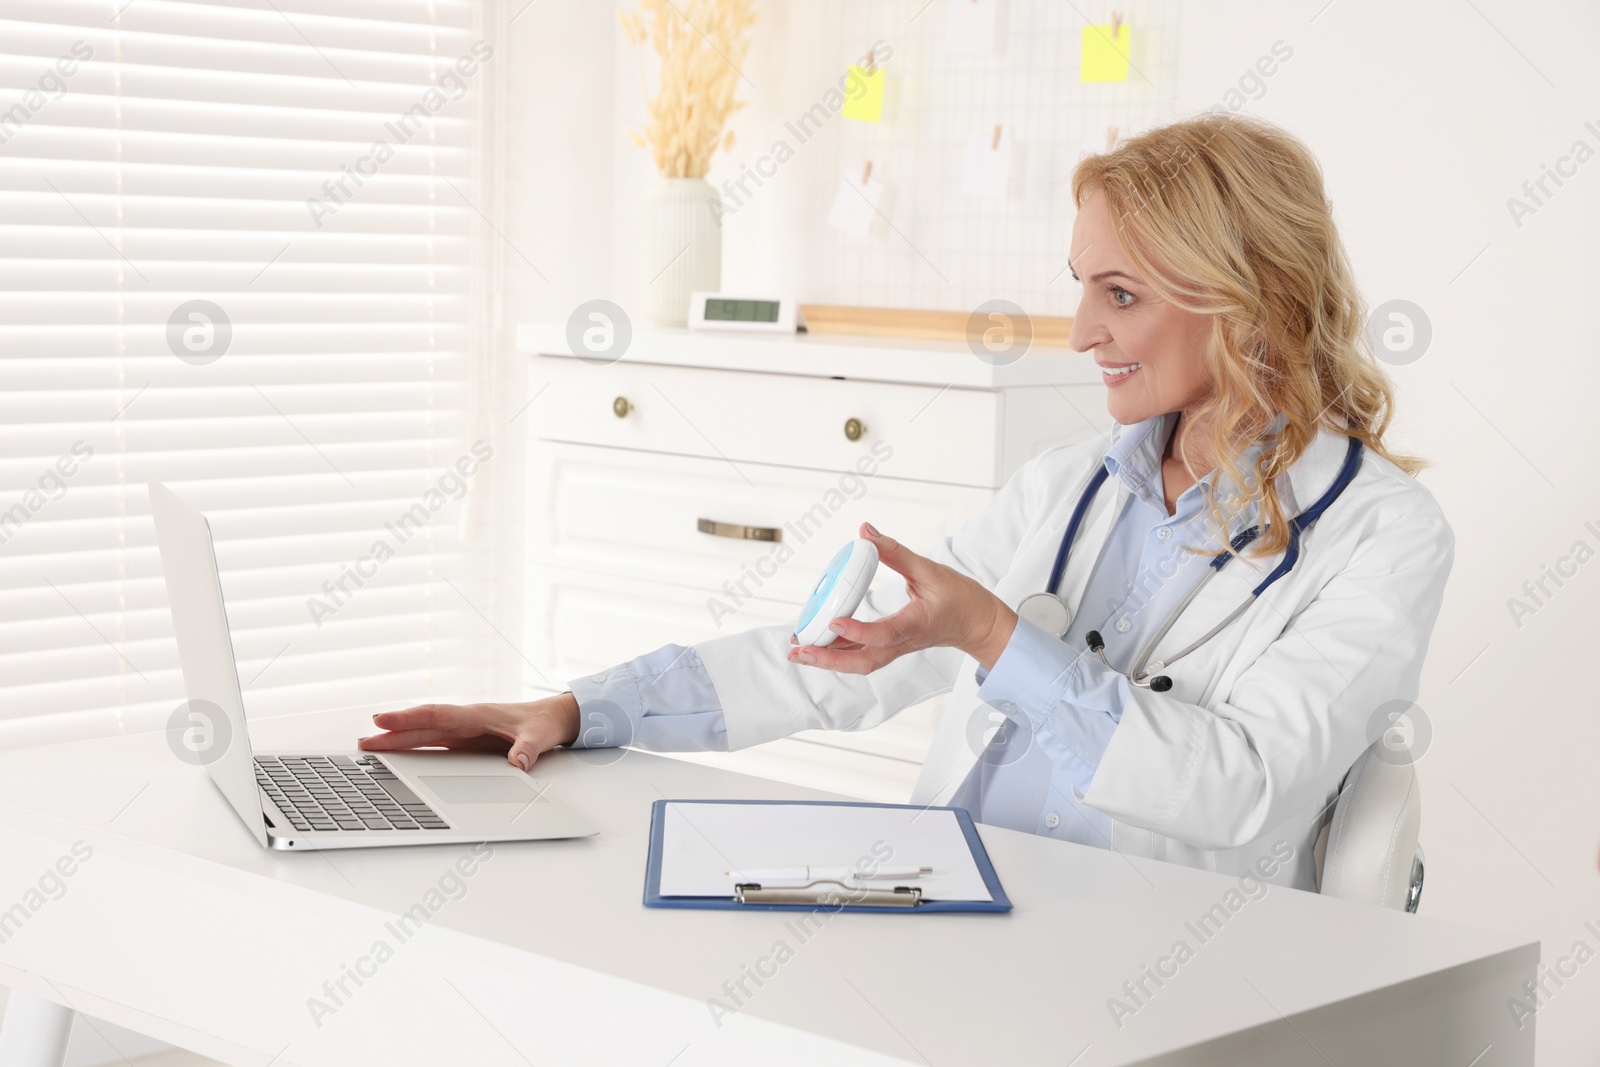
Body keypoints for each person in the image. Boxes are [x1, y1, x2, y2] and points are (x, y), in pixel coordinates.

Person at [360, 113, 1453, 891]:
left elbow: (1238, 788)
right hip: (948, 901)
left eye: (1117, 293)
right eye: (1080, 285)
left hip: (1150, 954)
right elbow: (835, 664)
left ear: (1248, 299)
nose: (1077, 332)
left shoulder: (1379, 537)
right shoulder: (1065, 488)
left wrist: (990, 633)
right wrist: (581, 709)